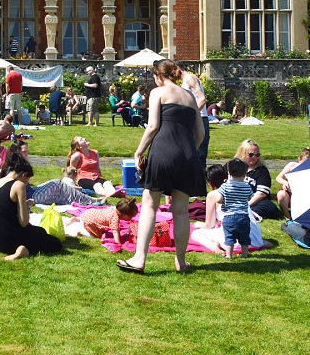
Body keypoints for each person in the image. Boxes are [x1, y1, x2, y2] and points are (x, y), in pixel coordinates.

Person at [118, 59, 205, 274]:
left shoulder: (159, 92)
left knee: (149, 204)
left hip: (163, 151)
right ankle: (181, 262)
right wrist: (186, 151)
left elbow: (153, 126)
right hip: (188, 156)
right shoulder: (190, 97)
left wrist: (139, 151)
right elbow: (200, 134)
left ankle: (139, 259)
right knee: (181, 211)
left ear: (158, 75)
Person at [0, 151, 63, 260]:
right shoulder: (18, 185)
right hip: (10, 240)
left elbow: (3, 209)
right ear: (24, 175)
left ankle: (21, 249)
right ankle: (22, 251)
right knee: (52, 242)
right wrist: (26, 207)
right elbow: (24, 222)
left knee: (39, 232)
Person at [191, 164, 269, 255]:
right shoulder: (241, 188)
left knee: (196, 234)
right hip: (253, 235)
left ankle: (213, 246)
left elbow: (210, 225)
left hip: (233, 237)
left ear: (209, 183)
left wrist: (201, 225)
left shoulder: (213, 195)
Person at [236, 139, 282, 219]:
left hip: (255, 201)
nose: (254, 157)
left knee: (270, 208)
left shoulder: (262, 171)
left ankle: (242, 212)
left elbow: (261, 194)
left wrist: (246, 205)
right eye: (250, 154)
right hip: (235, 198)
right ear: (242, 153)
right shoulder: (233, 166)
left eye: (257, 155)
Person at [218, 158, 254, 259]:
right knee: (244, 237)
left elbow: (219, 199)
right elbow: (250, 197)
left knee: (229, 237)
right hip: (244, 216)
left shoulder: (225, 186)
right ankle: (245, 254)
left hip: (229, 216)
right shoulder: (247, 186)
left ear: (229, 173)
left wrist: (223, 200)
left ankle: (229, 255)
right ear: (245, 174)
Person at [67, 198, 139, 246]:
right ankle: (82, 232)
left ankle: (76, 219)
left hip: (87, 213)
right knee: (95, 236)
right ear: (125, 215)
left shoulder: (112, 209)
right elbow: (115, 231)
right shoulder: (115, 218)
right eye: (131, 217)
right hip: (89, 222)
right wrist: (118, 243)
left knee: (89, 219)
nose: (131, 218)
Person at [28, 166, 106, 207]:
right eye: (24, 151)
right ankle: (93, 200)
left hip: (33, 192)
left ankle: (92, 200)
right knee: (59, 185)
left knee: (59, 188)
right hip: (34, 196)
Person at [179, 66, 209, 165]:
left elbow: (202, 99)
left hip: (198, 119)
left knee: (198, 156)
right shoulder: (186, 80)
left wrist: (190, 116)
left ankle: (199, 179)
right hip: (196, 118)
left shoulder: (190, 78)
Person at [276, 146, 310, 220]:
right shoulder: (292, 166)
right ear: (299, 159)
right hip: (291, 194)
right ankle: (288, 217)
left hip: (305, 196)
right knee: (281, 194)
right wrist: (284, 182)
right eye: (304, 164)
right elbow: (279, 177)